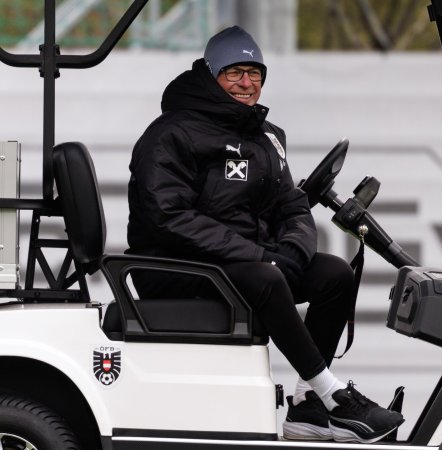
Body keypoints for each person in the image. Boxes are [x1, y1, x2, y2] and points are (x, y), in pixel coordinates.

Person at [126, 25, 403, 444]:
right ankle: (334, 395)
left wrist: (292, 249)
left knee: (334, 275)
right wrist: (259, 255)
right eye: (235, 72)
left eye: (255, 73)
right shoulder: (171, 133)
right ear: (210, 74)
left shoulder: (267, 138)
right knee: (267, 277)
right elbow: (166, 216)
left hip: (242, 261)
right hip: (175, 264)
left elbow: (291, 205)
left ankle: (307, 405)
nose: (247, 83)